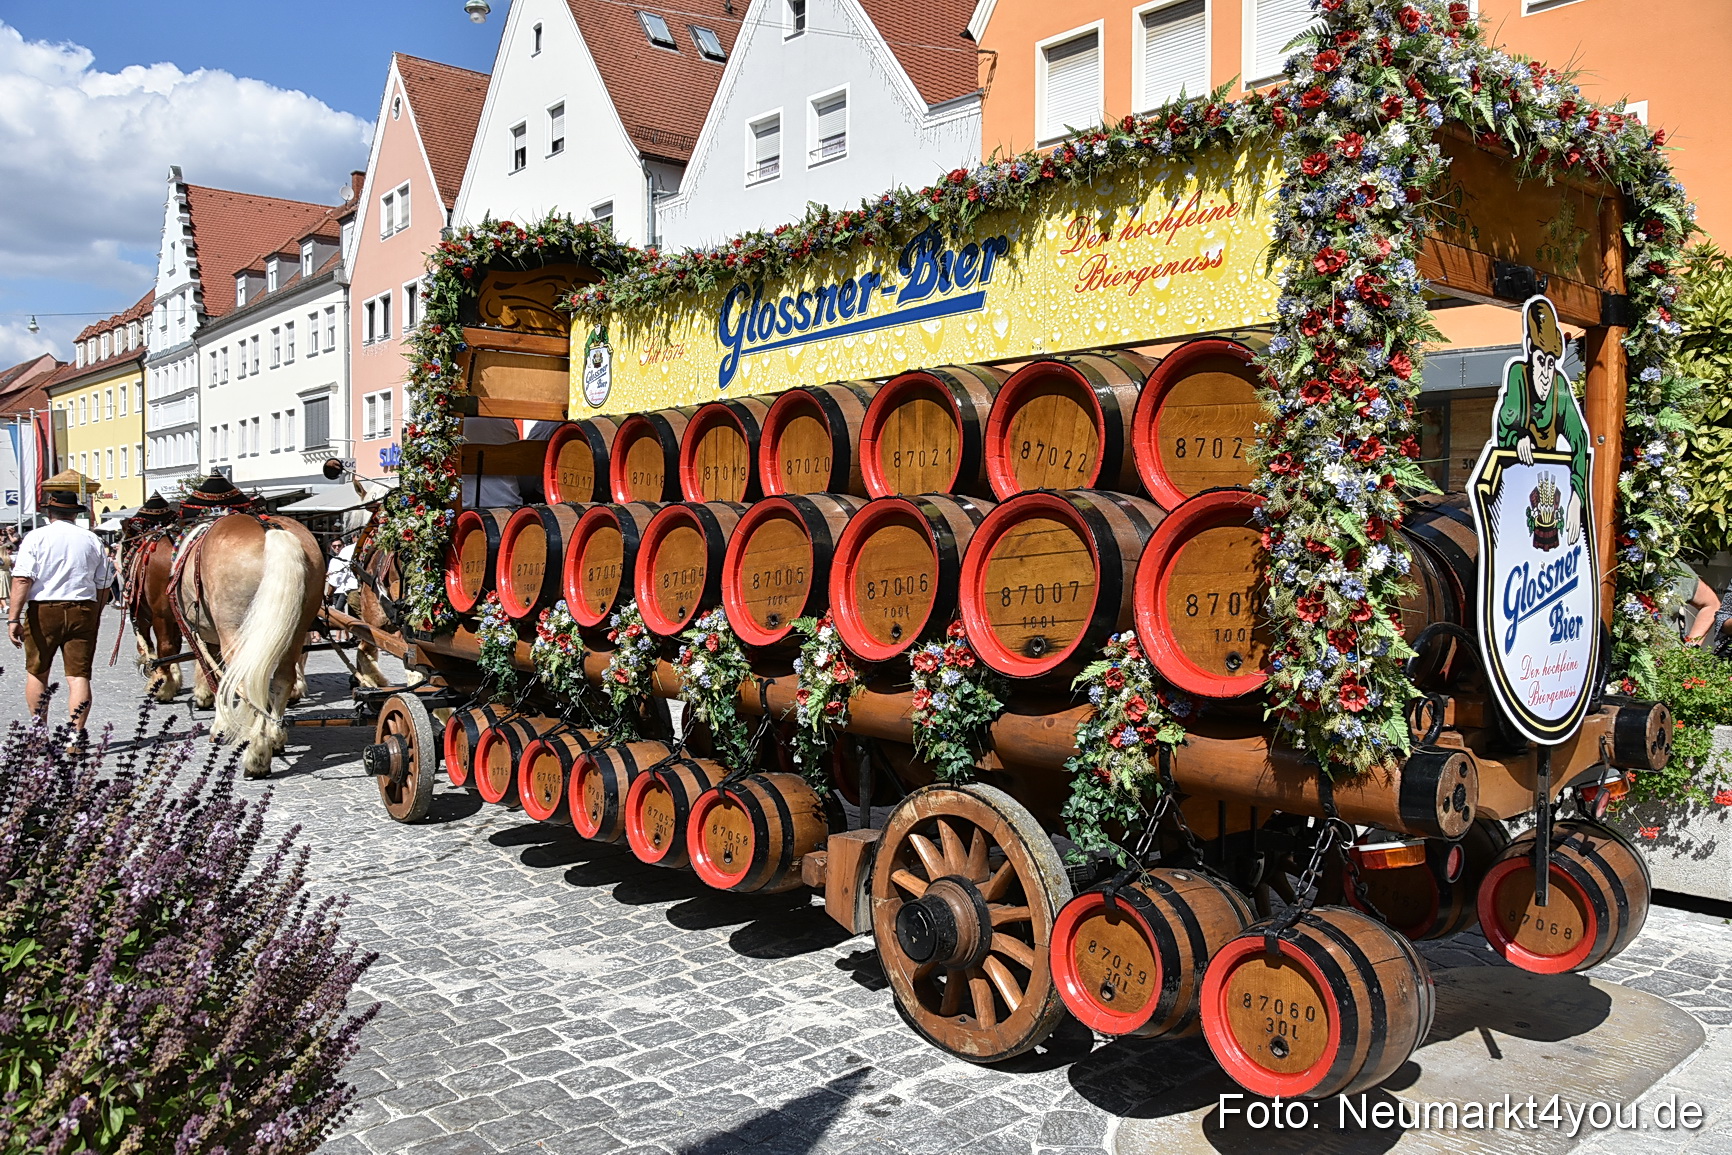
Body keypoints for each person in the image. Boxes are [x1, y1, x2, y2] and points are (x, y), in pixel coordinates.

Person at [8, 489, 115, 737]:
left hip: (44, 609)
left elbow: (22, 580)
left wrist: (13, 618)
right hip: (83, 608)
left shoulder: (36, 538)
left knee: (38, 671)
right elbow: (104, 583)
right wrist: (95, 613)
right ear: (75, 514)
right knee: (78, 676)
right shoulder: (91, 539)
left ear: (48, 512)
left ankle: (40, 733)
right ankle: (75, 735)